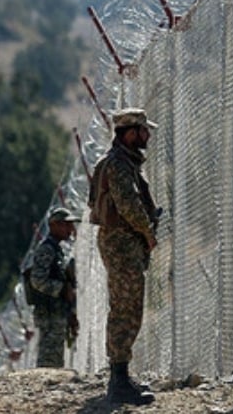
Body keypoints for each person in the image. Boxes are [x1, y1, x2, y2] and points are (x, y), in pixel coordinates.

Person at [90, 107, 161, 406]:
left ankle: (121, 375)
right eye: (143, 131)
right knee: (125, 307)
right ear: (130, 133)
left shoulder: (121, 163)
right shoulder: (119, 165)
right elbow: (129, 205)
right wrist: (147, 233)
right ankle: (118, 382)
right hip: (122, 242)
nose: (147, 136)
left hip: (121, 242)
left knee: (127, 305)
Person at [26, 206, 80, 368]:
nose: (70, 229)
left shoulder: (58, 250)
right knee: (48, 361)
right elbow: (37, 281)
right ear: (53, 225)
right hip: (49, 315)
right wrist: (62, 289)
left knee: (56, 360)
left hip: (57, 314)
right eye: (65, 224)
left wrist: (71, 314)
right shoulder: (46, 250)